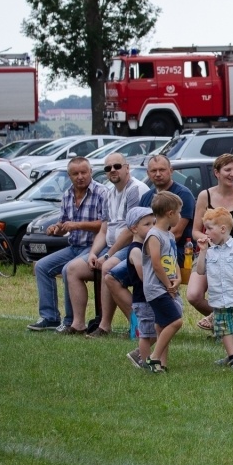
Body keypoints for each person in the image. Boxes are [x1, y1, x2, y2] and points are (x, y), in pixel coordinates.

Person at [104, 155, 194, 332]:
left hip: (172, 251)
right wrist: (110, 253)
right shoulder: (146, 197)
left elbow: (175, 233)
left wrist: (146, 247)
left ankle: (152, 320)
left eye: (162, 170)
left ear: (171, 171)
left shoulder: (183, 195)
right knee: (109, 272)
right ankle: (139, 323)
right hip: (143, 247)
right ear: (148, 173)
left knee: (118, 273)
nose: (158, 174)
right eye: (154, 171)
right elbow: (133, 228)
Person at [65, 152, 149, 337]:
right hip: (111, 247)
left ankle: (105, 326)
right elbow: (104, 229)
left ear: (127, 168)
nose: (112, 170)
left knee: (107, 268)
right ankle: (78, 324)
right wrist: (94, 253)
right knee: (73, 269)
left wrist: (108, 255)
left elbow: (131, 230)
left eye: (117, 166)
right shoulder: (109, 193)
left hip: (133, 246)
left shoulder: (136, 189)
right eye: (108, 168)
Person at [27, 158, 107, 332]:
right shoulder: (67, 195)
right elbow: (64, 225)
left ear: (91, 172)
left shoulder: (102, 192)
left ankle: (71, 321)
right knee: (41, 266)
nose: (80, 177)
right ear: (69, 176)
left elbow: (105, 225)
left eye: (83, 172)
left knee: (68, 269)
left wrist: (77, 225)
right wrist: (56, 229)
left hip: (95, 247)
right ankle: (49, 317)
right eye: (75, 174)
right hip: (74, 247)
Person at [187, 154, 233, 331]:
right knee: (193, 295)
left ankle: (223, 322)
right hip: (209, 253)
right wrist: (202, 239)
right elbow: (195, 230)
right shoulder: (205, 196)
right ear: (217, 172)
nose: (232, 174)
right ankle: (221, 317)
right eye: (227, 170)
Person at [195, 207, 233, 368]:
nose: (206, 232)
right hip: (219, 299)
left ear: (222, 229)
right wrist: (202, 252)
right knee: (224, 327)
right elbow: (200, 270)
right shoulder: (210, 251)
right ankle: (232, 356)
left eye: (209, 228)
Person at [144, 191, 184, 373]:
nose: (180, 217)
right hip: (156, 287)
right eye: (179, 213)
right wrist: (168, 284)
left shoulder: (169, 235)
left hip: (167, 285)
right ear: (170, 213)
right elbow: (156, 264)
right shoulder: (154, 235)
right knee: (176, 321)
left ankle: (162, 363)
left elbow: (172, 259)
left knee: (162, 325)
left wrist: (178, 278)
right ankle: (153, 358)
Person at [123, 207, 157, 370]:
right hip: (143, 298)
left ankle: (141, 355)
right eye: (147, 224)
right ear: (134, 228)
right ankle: (143, 360)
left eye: (154, 223)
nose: (152, 227)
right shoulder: (136, 250)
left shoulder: (146, 247)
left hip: (151, 296)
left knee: (157, 330)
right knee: (148, 332)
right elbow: (144, 276)